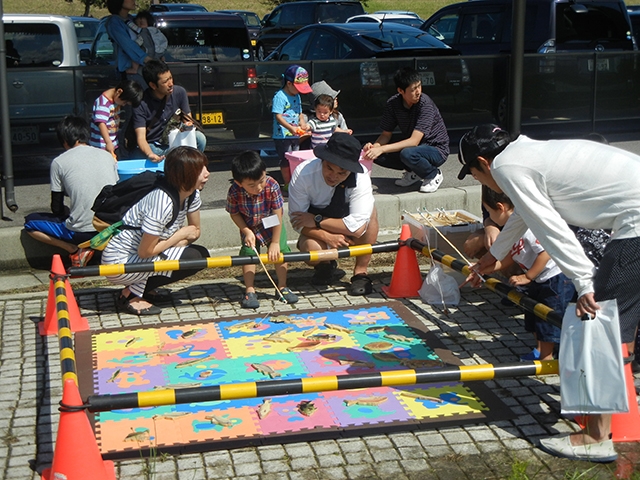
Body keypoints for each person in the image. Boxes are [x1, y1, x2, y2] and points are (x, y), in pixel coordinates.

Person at [457, 123, 640, 463]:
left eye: (475, 175)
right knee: (618, 329)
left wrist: (584, 281)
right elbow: (526, 214)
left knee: (597, 325)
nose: (482, 182)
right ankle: (605, 421)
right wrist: (494, 256)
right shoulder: (528, 152)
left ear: (483, 162)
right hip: (632, 219)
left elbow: (551, 227)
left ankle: (595, 438)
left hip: (635, 224)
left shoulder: (507, 167)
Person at [102, 146, 210, 315]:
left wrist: (178, 240)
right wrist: (179, 236)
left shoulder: (192, 195)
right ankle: (130, 295)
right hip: (121, 260)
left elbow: (195, 230)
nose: (207, 174)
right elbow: (145, 251)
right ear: (184, 175)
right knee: (193, 257)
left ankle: (141, 289)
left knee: (199, 255)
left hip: (145, 254)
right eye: (200, 170)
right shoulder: (162, 202)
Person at [471, 186, 575, 361]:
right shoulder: (510, 230)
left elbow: (546, 252)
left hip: (554, 277)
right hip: (538, 278)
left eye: (490, 212)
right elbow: (512, 255)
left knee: (547, 317)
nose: (489, 218)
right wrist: (487, 268)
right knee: (532, 314)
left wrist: (528, 276)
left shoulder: (527, 226)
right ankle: (539, 349)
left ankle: (547, 356)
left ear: (501, 207)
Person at [289, 133, 379, 296]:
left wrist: (317, 220)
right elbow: (297, 221)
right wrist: (327, 236)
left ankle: (361, 272)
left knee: (370, 212)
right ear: (322, 160)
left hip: (327, 220)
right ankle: (325, 265)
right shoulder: (303, 174)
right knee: (312, 251)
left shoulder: (361, 178)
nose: (333, 176)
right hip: (319, 228)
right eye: (329, 168)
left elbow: (358, 227)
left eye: (342, 173)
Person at [23, 116, 119, 268]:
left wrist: (65, 212)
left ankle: (73, 249)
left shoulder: (59, 162)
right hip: (109, 229)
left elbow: (56, 207)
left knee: (30, 223)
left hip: (80, 232)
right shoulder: (107, 156)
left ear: (64, 140)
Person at [226, 151, 298, 309]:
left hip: (272, 223)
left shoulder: (272, 185)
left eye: (261, 181)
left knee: (280, 252)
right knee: (249, 254)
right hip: (249, 224)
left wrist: (275, 242)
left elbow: (278, 214)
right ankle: (250, 290)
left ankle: (282, 286)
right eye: (252, 185)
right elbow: (234, 213)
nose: (259, 187)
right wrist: (246, 231)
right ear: (239, 183)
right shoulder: (234, 191)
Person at [362, 67, 449, 194]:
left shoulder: (425, 104)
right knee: (375, 154)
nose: (418, 92)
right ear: (400, 90)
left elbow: (414, 141)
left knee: (407, 153)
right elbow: (386, 134)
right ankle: (415, 172)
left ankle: (433, 174)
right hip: (415, 148)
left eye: (419, 86)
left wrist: (381, 149)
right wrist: (374, 148)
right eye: (413, 89)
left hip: (436, 149)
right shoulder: (393, 104)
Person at [132, 59, 207, 163]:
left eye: (170, 78)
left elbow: (188, 120)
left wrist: (187, 126)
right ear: (153, 85)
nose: (170, 83)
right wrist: (150, 154)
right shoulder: (141, 103)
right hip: (153, 146)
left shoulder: (179, 92)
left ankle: (192, 167)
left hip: (175, 141)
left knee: (199, 138)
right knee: (144, 153)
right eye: (165, 82)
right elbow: (141, 138)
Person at [272, 64, 310, 186]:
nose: (299, 91)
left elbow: (299, 113)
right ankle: (287, 183)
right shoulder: (280, 96)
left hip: (294, 133)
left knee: (296, 157)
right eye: (298, 88)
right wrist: (291, 128)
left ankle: (295, 182)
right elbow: (278, 116)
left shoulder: (297, 96)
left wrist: (302, 123)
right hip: (282, 135)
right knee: (285, 160)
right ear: (289, 83)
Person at [90, 79, 144, 158]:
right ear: (119, 92)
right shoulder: (103, 103)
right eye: (125, 102)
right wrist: (108, 142)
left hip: (113, 144)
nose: (124, 105)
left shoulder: (115, 100)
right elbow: (101, 124)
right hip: (100, 145)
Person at [105, 0, 152, 85]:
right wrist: (146, 59)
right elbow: (128, 45)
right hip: (128, 72)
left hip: (143, 68)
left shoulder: (132, 19)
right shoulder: (114, 22)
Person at [125, 10, 169, 76]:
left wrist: (127, 22)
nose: (139, 25)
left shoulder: (143, 32)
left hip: (147, 52)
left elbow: (139, 41)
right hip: (158, 52)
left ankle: (134, 69)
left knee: (135, 53)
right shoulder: (156, 31)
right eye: (138, 24)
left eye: (141, 23)